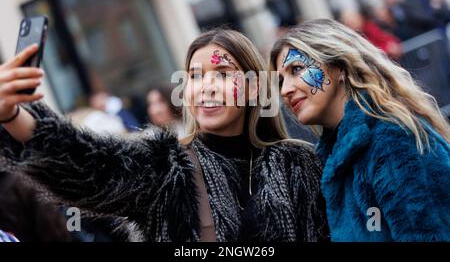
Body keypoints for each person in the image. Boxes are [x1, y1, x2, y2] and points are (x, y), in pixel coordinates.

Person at [0, 29, 328, 242]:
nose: (207, 86)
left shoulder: (298, 164)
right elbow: (83, 163)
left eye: (223, 74)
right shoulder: (165, 166)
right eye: (196, 76)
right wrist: (12, 114)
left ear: (254, 87)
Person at [270, 19, 450, 241]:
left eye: (296, 69)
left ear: (339, 68)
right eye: (280, 81)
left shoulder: (391, 140)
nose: (285, 89)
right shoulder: (333, 159)